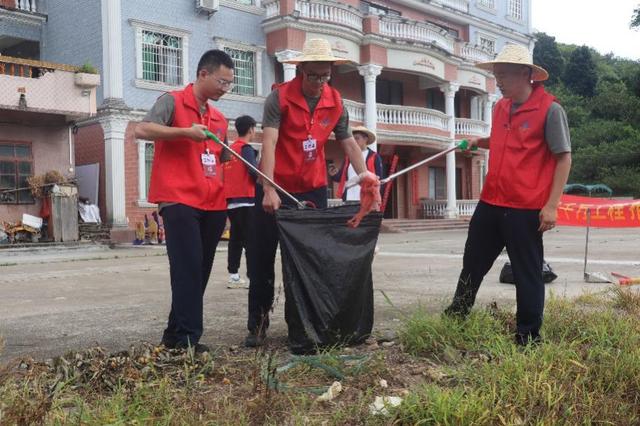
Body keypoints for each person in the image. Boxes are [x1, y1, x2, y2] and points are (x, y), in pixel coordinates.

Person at [245, 38, 377, 347]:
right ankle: (257, 326)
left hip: (313, 188)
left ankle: (303, 326)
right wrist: (268, 187)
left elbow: (347, 142)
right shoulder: (279, 99)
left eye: (324, 75)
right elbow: (270, 143)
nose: (318, 82)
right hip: (275, 187)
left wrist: (365, 174)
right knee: (262, 259)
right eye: (313, 75)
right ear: (301, 70)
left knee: (308, 261)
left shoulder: (335, 101)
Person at [443, 44, 572, 346]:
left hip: (524, 208)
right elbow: (504, 138)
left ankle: (528, 336)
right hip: (491, 201)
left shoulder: (550, 110)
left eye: (502, 75)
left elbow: (564, 157)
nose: (497, 81)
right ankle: (457, 313)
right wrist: (478, 141)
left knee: (527, 273)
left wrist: (552, 206)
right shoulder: (501, 107)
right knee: (473, 261)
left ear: (526, 74)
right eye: (496, 75)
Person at [135, 49, 235, 353]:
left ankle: (175, 335)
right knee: (187, 268)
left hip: (213, 203)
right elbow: (142, 129)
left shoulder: (218, 118)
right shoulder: (173, 101)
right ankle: (189, 339)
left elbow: (222, 157)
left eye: (230, 84)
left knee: (199, 270)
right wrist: (185, 133)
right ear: (203, 74)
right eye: (222, 81)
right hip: (179, 199)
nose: (225, 89)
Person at [223, 115, 258, 289]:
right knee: (251, 240)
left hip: (231, 202)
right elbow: (253, 172)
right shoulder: (246, 149)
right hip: (247, 201)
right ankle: (252, 276)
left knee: (236, 239)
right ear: (251, 129)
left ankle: (233, 274)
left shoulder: (230, 149)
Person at [329, 125, 384, 202]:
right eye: (353, 139)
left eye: (357, 138)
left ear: (365, 139)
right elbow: (341, 178)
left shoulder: (374, 157)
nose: (354, 141)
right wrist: (334, 174)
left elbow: (380, 180)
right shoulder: (348, 158)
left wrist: (376, 197)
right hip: (349, 198)